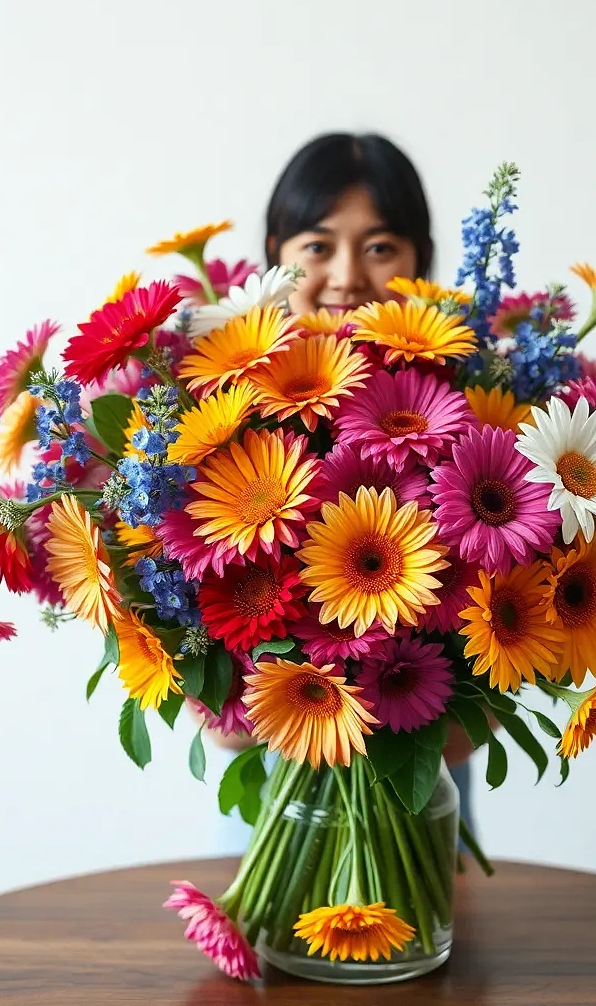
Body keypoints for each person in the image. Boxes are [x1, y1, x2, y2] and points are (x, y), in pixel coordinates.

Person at [206, 132, 477, 848]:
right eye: (318, 247)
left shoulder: (470, 404)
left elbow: (469, 724)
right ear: (276, 251)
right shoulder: (223, 407)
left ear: (422, 255)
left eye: (381, 247)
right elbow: (228, 731)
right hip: (272, 800)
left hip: (425, 793)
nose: (349, 276)